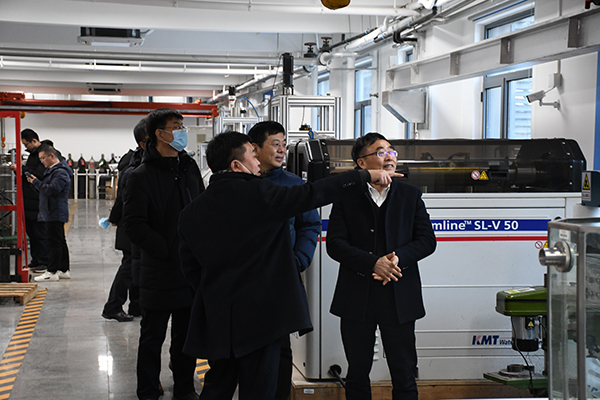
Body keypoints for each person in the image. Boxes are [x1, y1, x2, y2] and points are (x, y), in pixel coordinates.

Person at [178, 131, 398, 400]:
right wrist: (363, 176)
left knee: (218, 385)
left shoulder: (191, 211)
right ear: (237, 165)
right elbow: (313, 193)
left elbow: (189, 267)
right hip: (263, 316)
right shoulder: (262, 193)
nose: (257, 162)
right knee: (259, 390)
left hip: (219, 315)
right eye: (252, 155)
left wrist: (214, 292)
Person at [326, 132, 437, 400]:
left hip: (399, 296)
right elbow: (335, 244)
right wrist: (373, 263)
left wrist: (397, 259)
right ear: (362, 163)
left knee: (404, 372)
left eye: (391, 151)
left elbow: (427, 241)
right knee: (357, 373)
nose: (389, 157)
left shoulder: (410, 195)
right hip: (357, 297)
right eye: (380, 152)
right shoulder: (347, 196)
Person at [123, 108, 203, 400]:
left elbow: (201, 208)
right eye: (176, 126)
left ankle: (184, 388)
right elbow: (134, 225)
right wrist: (167, 249)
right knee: (152, 336)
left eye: (182, 126)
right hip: (158, 270)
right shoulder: (140, 176)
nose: (182, 132)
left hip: (189, 269)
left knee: (186, 336)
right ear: (159, 134)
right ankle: (147, 389)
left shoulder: (189, 168)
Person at [247, 121, 320, 400]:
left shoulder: (294, 185)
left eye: (284, 144)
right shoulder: (241, 182)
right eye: (275, 144)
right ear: (254, 148)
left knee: (281, 347)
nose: (281, 150)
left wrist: (298, 259)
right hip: (245, 280)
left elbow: (309, 225)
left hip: (281, 278)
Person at [101, 118, 147, 322]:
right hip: (132, 226)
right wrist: (115, 217)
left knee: (135, 266)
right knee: (130, 266)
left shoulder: (135, 161)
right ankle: (113, 306)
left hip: (129, 224)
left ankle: (136, 306)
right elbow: (123, 199)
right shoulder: (134, 167)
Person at [28, 144, 74, 282]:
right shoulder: (54, 171)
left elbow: (51, 190)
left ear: (52, 156)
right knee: (59, 241)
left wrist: (36, 182)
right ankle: (63, 269)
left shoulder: (60, 173)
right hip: (52, 211)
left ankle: (52, 271)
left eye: (43, 158)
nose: (42, 161)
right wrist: (34, 183)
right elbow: (46, 190)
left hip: (54, 212)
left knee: (53, 242)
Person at [11, 129, 48, 272]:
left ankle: (43, 261)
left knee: (40, 234)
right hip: (28, 201)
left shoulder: (42, 155)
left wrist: (22, 169)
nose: (26, 147)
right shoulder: (33, 155)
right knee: (32, 234)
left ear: (34, 140)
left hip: (38, 201)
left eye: (26, 144)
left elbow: (38, 174)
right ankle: (36, 260)